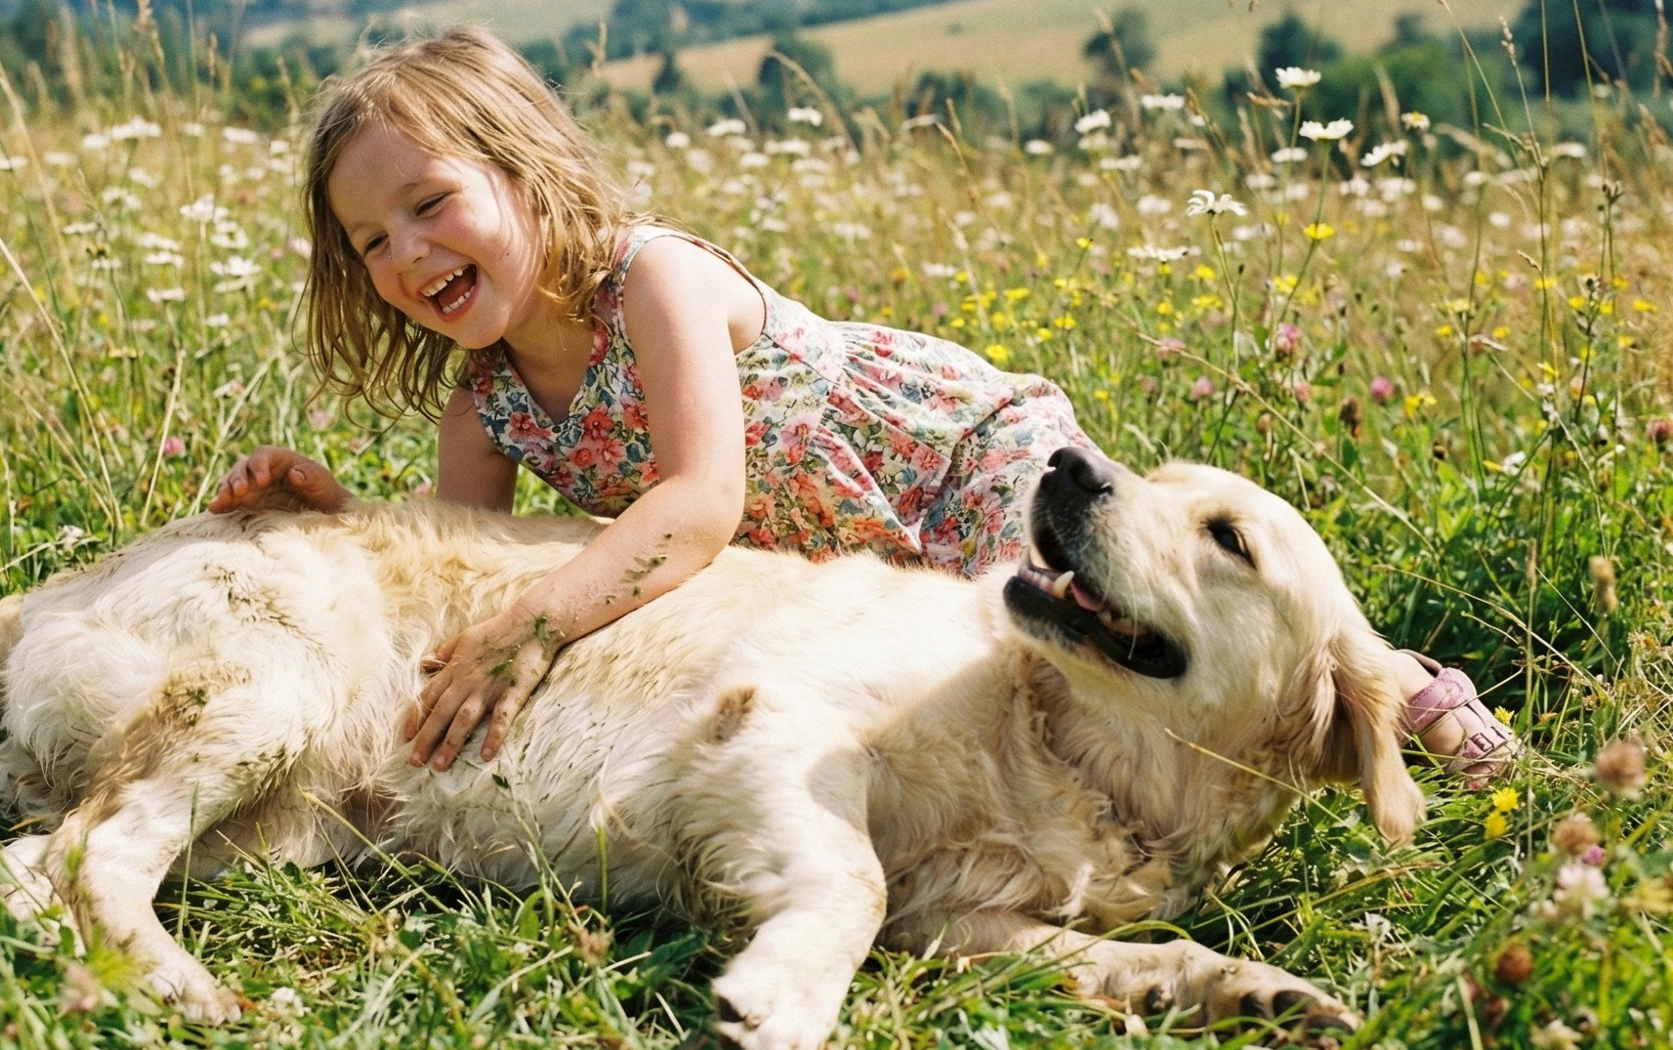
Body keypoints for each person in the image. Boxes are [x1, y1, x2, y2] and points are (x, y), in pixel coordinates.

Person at [208, 26, 1516, 782]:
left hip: (945, 467)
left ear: (525, 170)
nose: (410, 255)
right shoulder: (484, 407)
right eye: (372, 241)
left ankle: (1410, 701)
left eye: (430, 203)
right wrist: (338, 521)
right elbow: (463, 575)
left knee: (1114, 623)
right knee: (1010, 719)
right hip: (836, 571)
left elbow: (699, 500)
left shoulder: (650, 282)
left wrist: (545, 624)